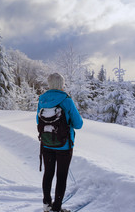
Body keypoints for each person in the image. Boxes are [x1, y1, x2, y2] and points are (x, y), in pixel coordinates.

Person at [36, 73, 83, 212]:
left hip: (46, 144)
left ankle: (46, 204)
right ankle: (57, 208)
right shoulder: (66, 100)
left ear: (49, 83)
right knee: (61, 176)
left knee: (48, 173)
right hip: (64, 145)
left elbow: (38, 121)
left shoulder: (42, 99)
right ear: (61, 84)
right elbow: (78, 124)